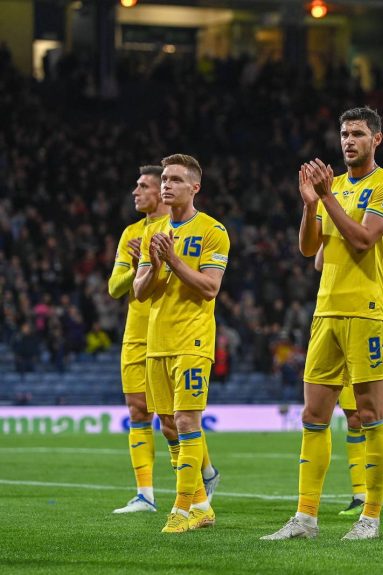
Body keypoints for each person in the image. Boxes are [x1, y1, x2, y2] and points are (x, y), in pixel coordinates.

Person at [262, 106, 383, 541]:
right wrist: (310, 206)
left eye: (357, 134)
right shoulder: (335, 186)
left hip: (366, 312)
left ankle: (370, 519)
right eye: (344, 134)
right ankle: (305, 518)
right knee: (313, 415)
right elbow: (311, 252)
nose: (348, 141)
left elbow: (363, 240)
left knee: (370, 414)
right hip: (325, 311)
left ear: (376, 140)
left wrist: (325, 199)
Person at [134, 154, 230, 533]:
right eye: (164, 179)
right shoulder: (153, 232)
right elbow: (140, 291)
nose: (166, 185)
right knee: (170, 426)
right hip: (157, 341)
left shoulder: (213, 230)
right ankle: (202, 506)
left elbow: (210, 287)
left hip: (193, 338)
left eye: (175, 179)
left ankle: (181, 509)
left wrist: (172, 259)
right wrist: (156, 264)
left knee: (188, 420)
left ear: (195, 187)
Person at [316, 225, 383, 517]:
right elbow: (320, 262)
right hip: (353, 330)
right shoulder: (341, 226)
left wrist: (356, 236)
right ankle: (359, 495)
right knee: (355, 418)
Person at [108, 165, 172, 514]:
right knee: (137, 409)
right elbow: (114, 288)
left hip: (169, 330)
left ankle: (204, 474)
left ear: (161, 191)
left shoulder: (176, 228)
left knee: (174, 417)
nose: (136, 192)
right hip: (136, 333)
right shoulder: (130, 234)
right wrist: (135, 265)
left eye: (143, 186)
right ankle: (145, 495)